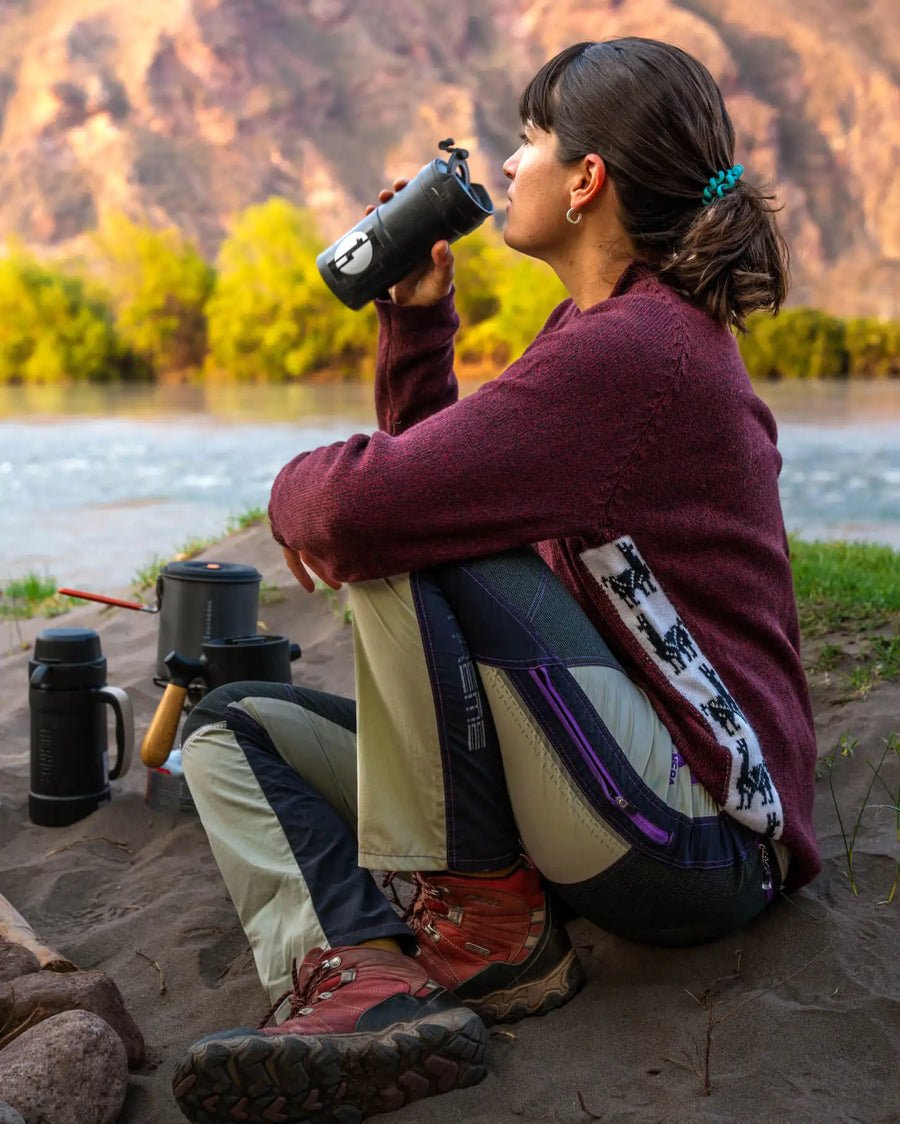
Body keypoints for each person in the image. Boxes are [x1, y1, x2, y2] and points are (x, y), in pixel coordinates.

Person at [172, 37, 820, 1124]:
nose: (507, 166)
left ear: (587, 179)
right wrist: (418, 322)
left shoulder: (639, 352)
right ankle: (361, 975)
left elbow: (369, 512)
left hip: (700, 832)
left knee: (401, 516)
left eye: (529, 141)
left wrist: (297, 497)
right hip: (600, 780)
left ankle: (488, 929)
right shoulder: (604, 332)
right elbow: (440, 496)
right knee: (233, 731)